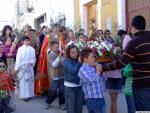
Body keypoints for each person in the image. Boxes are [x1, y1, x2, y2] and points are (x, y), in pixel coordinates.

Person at [100, 15, 150, 111]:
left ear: (133, 27)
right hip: (143, 84)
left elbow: (121, 63)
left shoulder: (134, 42)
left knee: (144, 111)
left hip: (142, 84)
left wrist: (104, 68)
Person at [78, 48, 106, 113]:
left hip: (100, 97)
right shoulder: (83, 69)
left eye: (94, 57)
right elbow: (91, 79)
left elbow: (103, 79)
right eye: (92, 57)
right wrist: (97, 71)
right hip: (92, 99)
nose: (94, 59)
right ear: (85, 59)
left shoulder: (94, 67)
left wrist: (102, 72)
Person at [14, 36, 36, 102]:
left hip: (29, 66)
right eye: (25, 40)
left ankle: (29, 95)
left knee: (29, 81)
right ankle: (24, 95)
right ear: (23, 41)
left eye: (28, 40)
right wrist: (16, 68)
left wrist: (32, 63)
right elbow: (18, 59)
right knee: (23, 82)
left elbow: (34, 58)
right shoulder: (20, 49)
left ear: (29, 41)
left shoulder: (32, 49)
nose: (26, 42)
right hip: (22, 67)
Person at [63, 45, 83, 113]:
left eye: (76, 52)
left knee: (79, 108)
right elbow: (73, 70)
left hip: (79, 86)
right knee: (71, 109)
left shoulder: (79, 60)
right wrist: (79, 63)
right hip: (69, 88)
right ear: (69, 53)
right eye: (72, 52)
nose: (75, 54)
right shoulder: (66, 62)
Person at [46, 41, 65, 109]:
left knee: (62, 91)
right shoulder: (50, 55)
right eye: (56, 47)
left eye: (58, 47)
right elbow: (54, 65)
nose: (58, 48)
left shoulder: (60, 53)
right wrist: (60, 57)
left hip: (62, 75)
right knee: (53, 91)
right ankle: (48, 102)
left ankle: (61, 104)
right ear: (51, 47)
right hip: (55, 76)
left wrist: (62, 57)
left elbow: (63, 62)